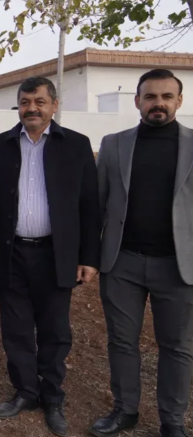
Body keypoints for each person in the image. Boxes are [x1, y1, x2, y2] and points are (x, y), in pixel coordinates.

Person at [0, 76, 100, 437]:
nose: (32, 108)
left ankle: (53, 397)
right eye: (25, 101)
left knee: (54, 331)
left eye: (39, 101)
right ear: (19, 105)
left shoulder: (76, 146)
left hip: (55, 255)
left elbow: (90, 207)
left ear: (54, 106)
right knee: (15, 330)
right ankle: (26, 392)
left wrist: (88, 257)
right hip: (10, 253)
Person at [90, 69, 192, 437]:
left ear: (179, 101)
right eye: (150, 97)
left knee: (177, 347)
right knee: (121, 341)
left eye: (167, 96)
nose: (158, 103)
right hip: (122, 263)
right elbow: (97, 206)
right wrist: (89, 256)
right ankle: (125, 411)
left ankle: (173, 422)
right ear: (137, 101)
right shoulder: (115, 145)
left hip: (179, 267)